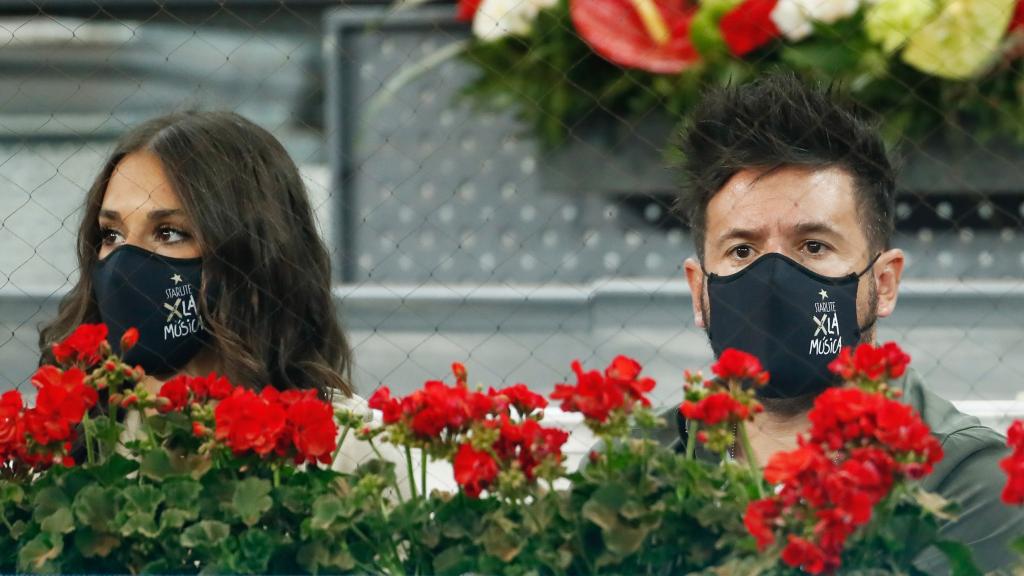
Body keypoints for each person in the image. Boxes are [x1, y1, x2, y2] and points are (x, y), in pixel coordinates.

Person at [667, 74, 1024, 573]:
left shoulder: (963, 481)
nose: (771, 280)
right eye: (741, 250)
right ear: (698, 289)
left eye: (813, 246)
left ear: (884, 283)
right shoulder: (650, 461)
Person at [37, 111, 384, 474]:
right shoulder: (76, 439)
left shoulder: (353, 448)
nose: (125, 264)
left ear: (252, 255)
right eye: (112, 235)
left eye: (169, 232)